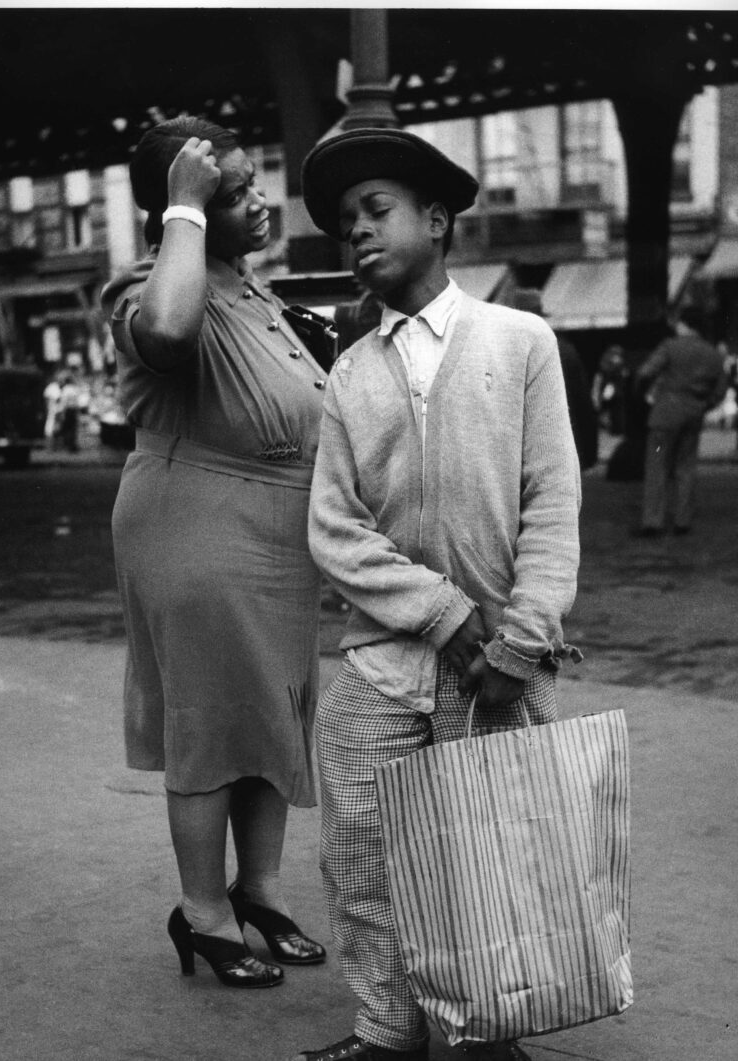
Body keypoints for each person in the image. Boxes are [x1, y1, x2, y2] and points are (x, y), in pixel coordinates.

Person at [292, 128, 582, 1061]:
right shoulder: (351, 372)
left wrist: (523, 640)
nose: (359, 234)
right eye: (347, 225)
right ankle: (387, 1028)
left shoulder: (520, 340)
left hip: (500, 661)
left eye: (376, 212)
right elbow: (334, 528)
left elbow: (552, 502)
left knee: (489, 856)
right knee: (364, 853)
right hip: (384, 658)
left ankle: (484, 1027)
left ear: (438, 220)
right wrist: (441, 610)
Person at [100, 116, 327, 992]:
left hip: (276, 541)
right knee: (207, 720)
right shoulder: (152, 284)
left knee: (271, 712)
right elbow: (165, 336)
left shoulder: (253, 291)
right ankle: (203, 911)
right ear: (182, 210)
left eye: (252, 180)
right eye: (230, 192)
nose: (257, 199)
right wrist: (182, 215)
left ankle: (259, 892)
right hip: (195, 527)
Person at [635, 304, 728, 537]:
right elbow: (720, 391)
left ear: (685, 324)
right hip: (693, 414)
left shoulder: (670, 347)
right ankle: (682, 520)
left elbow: (646, 372)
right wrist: (703, 405)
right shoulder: (713, 354)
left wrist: (642, 393)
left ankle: (653, 521)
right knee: (685, 467)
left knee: (657, 465)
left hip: (665, 414)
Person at [511, 288, 597, 470]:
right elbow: (583, 402)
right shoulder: (564, 347)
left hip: (527, 444)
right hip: (562, 440)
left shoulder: (510, 348)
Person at [43, 373, 62, 449]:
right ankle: (52, 446)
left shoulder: (49, 387)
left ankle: (50, 445)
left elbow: (46, 398)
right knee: (52, 428)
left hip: (51, 409)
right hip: (54, 410)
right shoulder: (55, 387)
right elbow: (57, 398)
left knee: (50, 427)